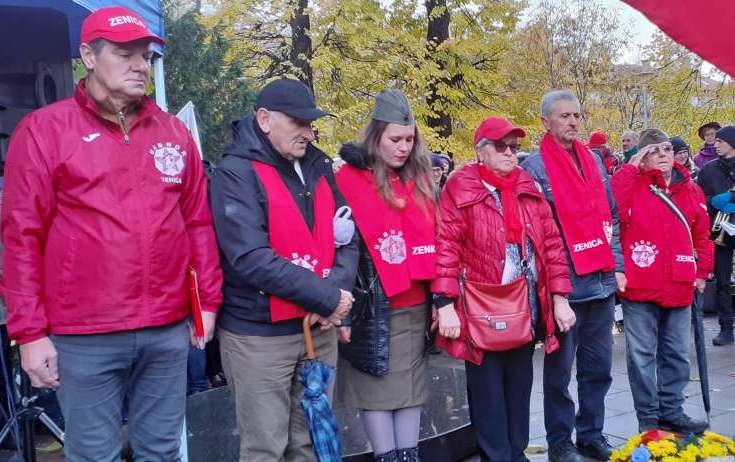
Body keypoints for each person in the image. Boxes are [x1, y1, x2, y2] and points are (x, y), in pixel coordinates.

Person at [0, 6, 223, 460]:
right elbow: (21, 236)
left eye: (145, 56)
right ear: (88, 56)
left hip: (166, 328)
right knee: (93, 453)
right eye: (125, 54)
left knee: (161, 450)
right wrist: (30, 332)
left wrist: (207, 303)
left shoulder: (173, 133)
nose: (140, 65)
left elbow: (197, 223)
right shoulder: (44, 131)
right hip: (84, 333)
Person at [209, 78, 358, 461]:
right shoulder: (234, 173)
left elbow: (347, 234)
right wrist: (327, 297)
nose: (308, 132)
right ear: (264, 119)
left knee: (310, 444)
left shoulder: (318, 165)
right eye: (298, 122)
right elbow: (250, 258)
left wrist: (336, 296)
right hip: (259, 336)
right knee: (266, 448)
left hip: (318, 328)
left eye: (311, 123)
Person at [432, 116, 576, 462]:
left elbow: (552, 246)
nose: (510, 153)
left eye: (513, 147)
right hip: (480, 306)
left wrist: (560, 298)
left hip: (524, 304)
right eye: (501, 146)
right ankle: (496, 456)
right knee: (487, 392)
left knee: (519, 386)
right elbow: (446, 246)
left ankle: (517, 452)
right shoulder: (460, 186)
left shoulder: (527, 185)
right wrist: (444, 304)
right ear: (480, 151)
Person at [522, 90, 625, 462]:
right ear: (545, 121)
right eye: (564, 115)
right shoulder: (535, 168)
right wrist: (555, 292)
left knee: (598, 370)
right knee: (559, 374)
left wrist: (617, 266)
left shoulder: (594, 161)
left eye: (577, 115)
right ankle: (560, 442)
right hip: (565, 289)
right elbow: (538, 237)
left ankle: (591, 434)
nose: (573, 122)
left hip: (601, 283)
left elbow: (611, 217)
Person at [335, 90, 436, 462]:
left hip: (416, 302)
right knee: (375, 389)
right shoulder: (348, 179)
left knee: (411, 389)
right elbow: (341, 252)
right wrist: (343, 313)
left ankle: (408, 456)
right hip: (372, 305)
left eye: (409, 139)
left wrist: (442, 298)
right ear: (376, 135)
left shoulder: (419, 178)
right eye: (396, 139)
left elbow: (437, 237)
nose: (404, 147)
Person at [612, 129, 713, 434]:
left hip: (680, 283)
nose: (663, 155)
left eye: (667, 149)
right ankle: (648, 418)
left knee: (677, 354)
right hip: (640, 284)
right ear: (642, 157)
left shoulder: (691, 189)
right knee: (642, 356)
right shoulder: (632, 184)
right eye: (653, 151)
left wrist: (702, 272)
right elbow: (612, 204)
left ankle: (672, 410)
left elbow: (702, 234)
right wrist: (632, 165)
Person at [697, 125, 735, 346]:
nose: (715, 144)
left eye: (721, 141)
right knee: (722, 282)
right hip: (720, 231)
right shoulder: (708, 170)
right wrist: (714, 201)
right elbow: (699, 200)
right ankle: (726, 327)